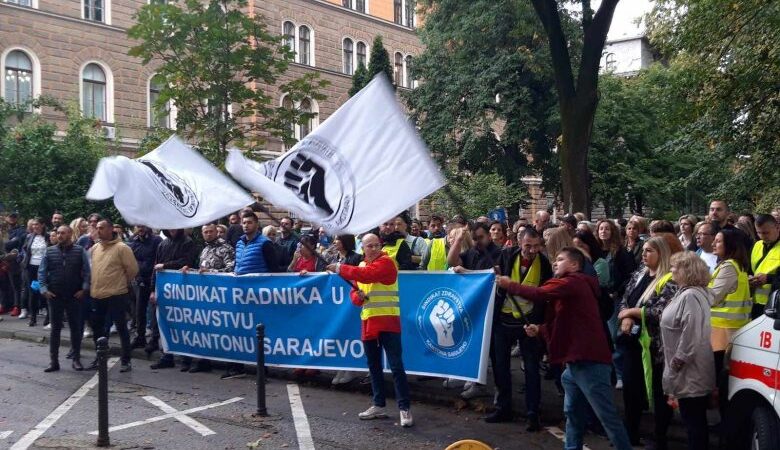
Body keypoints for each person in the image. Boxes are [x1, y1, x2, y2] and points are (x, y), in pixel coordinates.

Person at [498, 248, 632, 450]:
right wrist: (541, 329)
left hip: (588, 361)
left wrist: (511, 285)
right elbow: (565, 321)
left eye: (560, 260)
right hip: (576, 362)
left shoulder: (573, 282)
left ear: (575, 265)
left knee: (606, 416)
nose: (555, 263)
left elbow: (539, 293)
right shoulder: (572, 285)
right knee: (573, 413)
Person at [326, 233, 413, 427]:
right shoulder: (362, 266)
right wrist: (359, 296)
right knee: (373, 366)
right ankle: (378, 405)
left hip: (388, 321)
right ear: (363, 248)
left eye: (376, 245)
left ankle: (404, 408)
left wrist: (340, 268)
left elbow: (367, 275)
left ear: (380, 246)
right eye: (369, 246)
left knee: (396, 366)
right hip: (368, 322)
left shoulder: (387, 262)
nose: (373, 249)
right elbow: (355, 294)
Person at [486, 227, 552, 431]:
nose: (532, 251)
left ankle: (533, 413)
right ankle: (503, 407)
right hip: (503, 321)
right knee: (501, 368)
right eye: (527, 246)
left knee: (531, 369)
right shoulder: (506, 255)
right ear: (518, 243)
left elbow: (543, 295)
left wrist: (539, 324)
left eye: (536, 246)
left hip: (528, 324)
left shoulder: (545, 264)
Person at [616, 237, 678, 447]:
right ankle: (631, 433)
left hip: (656, 346)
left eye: (649, 251)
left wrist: (631, 312)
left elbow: (661, 310)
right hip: (633, 342)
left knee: (660, 393)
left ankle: (660, 437)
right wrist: (625, 316)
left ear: (661, 253)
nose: (644, 254)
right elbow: (626, 297)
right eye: (643, 250)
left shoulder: (670, 279)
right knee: (631, 389)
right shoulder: (639, 274)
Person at [661, 251, 715, 450]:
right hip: (688, 369)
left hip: (689, 370)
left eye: (675, 266)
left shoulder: (691, 295)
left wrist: (677, 363)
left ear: (687, 271)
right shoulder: (687, 292)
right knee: (693, 421)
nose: (671, 269)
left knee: (694, 423)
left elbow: (691, 334)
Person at [223, 211, 281, 379]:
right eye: (244, 222)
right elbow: (237, 266)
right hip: (240, 295)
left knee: (260, 334)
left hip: (258, 297)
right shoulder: (239, 243)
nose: (246, 225)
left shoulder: (265, 244)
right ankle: (236, 366)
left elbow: (273, 271)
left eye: (249, 222)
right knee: (237, 330)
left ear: (256, 224)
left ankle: (262, 370)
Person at [179, 222, 235, 373]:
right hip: (205, 297)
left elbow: (230, 269)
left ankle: (231, 363)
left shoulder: (226, 248)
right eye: (206, 232)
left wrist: (210, 272)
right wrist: (190, 270)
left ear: (216, 232)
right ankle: (204, 361)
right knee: (204, 330)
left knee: (224, 330)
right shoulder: (204, 249)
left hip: (220, 296)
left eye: (211, 232)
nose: (208, 234)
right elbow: (200, 270)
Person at [88, 218, 138, 373]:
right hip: (97, 294)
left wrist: (120, 282)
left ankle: (126, 360)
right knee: (98, 328)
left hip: (116, 294)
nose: (98, 230)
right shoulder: (95, 248)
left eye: (101, 228)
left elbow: (132, 269)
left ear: (110, 229)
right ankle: (100, 357)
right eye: (97, 228)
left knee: (121, 327)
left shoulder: (122, 248)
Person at [38, 226, 90, 372]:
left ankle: (76, 359)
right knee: (55, 329)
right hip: (55, 295)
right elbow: (41, 272)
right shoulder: (49, 251)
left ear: (70, 234)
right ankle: (53, 361)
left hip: (74, 295)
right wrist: (44, 290)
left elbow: (87, 272)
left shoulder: (79, 251)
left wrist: (84, 289)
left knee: (75, 328)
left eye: (63, 233)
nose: (60, 235)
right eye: (58, 233)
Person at [147, 228, 198, 366]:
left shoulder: (188, 242)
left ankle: (186, 358)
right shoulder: (162, 244)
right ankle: (167, 356)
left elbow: (187, 261)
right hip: (164, 290)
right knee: (165, 323)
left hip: (182, 290)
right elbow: (155, 268)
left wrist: (165, 265)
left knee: (183, 324)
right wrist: (153, 290)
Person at [128, 225, 162, 349]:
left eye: (142, 226)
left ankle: (154, 339)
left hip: (153, 280)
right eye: (138, 226)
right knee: (139, 310)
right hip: (139, 280)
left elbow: (158, 259)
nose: (140, 228)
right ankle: (140, 337)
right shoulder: (133, 240)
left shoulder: (156, 240)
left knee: (154, 311)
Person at [21, 217, 50, 326]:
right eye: (33, 225)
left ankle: (48, 317)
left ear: (42, 225)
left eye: (37, 224)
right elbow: (24, 249)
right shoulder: (29, 236)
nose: (34, 227)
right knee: (33, 292)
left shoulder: (48, 236)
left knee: (45, 291)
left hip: (43, 269)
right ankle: (33, 317)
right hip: (31, 268)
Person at [750, 214, 779, 318]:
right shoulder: (757, 245)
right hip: (756, 302)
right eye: (759, 232)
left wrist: (768, 278)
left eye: (766, 233)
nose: (762, 236)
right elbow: (751, 269)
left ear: (777, 227)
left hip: (776, 304)